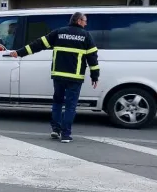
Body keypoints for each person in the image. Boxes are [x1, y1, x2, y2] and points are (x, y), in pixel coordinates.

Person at [10, 11, 99, 144]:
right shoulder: (86, 36)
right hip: (75, 78)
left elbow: (38, 44)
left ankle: (56, 129)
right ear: (79, 21)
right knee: (70, 106)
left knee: (57, 103)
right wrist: (94, 76)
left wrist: (19, 53)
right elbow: (92, 58)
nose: (86, 23)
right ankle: (66, 135)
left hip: (58, 76)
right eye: (85, 21)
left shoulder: (58, 32)